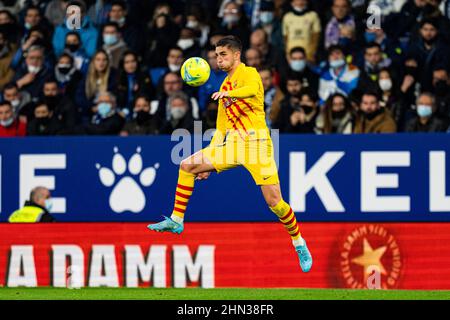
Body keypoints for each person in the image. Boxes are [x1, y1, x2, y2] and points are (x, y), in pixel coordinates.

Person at [147, 36, 313, 272]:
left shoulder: (250, 74)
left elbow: (251, 90)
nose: (219, 59)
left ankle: (299, 242)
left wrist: (229, 95)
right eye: (216, 55)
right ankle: (177, 220)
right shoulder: (223, 86)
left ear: (237, 55)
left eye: (223, 54)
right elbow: (221, 129)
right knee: (187, 165)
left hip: (257, 144)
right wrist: (209, 161)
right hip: (232, 145)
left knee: (275, 202)